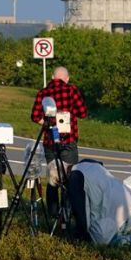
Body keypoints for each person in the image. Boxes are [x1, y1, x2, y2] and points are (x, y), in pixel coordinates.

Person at [31, 66, 87, 218]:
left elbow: (35, 116)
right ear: (67, 78)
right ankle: (67, 213)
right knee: (69, 178)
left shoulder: (43, 93)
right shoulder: (71, 90)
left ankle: (52, 213)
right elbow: (83, 113)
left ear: (52, 77)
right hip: (68, 139)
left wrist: (49, 125)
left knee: (53, 177)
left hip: (50, 141)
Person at [64, 159, 131, 245]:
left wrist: (81, 235)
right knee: (109, 229)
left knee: (97, 239)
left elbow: (81, 212)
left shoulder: (75, 178)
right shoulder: (87, 163)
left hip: (119, 215)